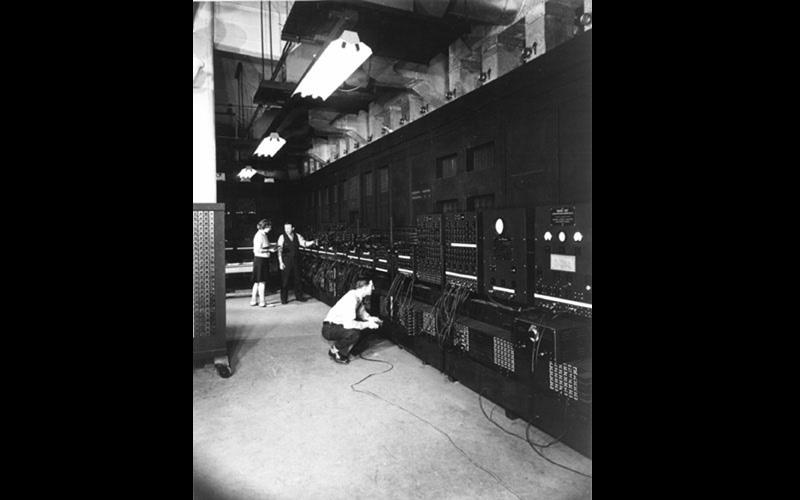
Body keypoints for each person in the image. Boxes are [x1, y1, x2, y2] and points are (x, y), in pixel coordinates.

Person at [321, 277, 383, 364]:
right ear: (365, 287)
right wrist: (368, 324)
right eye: (371, 286)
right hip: (330, 328)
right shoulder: (351, 299)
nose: (373, 288)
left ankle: (349, 350)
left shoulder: (357, 296)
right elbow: (348, 324)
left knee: (362, 329)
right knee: (354, 333)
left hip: (336, 326)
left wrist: (370, 318)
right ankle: (335, 350)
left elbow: (361, 312)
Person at [277, 222, 317, 304]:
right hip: (286, 261)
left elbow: (304, 243)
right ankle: (284, 299)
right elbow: (279, 251)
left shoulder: (297, 236)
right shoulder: (282, 237)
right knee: (285, 280)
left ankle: (299, 296)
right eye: (285, 228)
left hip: (296, 261)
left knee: (298, 279)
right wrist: (280, 262)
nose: (287, 230)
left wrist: (312, 242)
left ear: (293, 228)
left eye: (289, 228)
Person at [250, 219, 275, 307]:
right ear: (265, 226)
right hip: (261, 260)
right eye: (269, 227)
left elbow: (264, 246)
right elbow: (258, 250)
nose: (270, 229)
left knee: (257, 282)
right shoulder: (260, 235)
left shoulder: (262, 234)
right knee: (262, 282)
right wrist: (270, 250)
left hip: (260, 260)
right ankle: (262, 302)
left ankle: (253, 301)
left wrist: (271, 246)